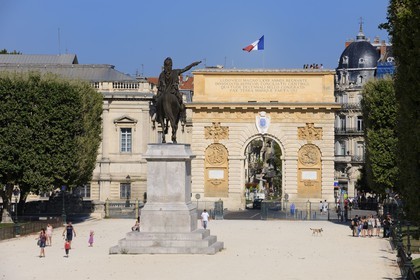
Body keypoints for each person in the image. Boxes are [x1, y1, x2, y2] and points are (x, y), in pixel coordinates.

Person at [156, 57, 201, 125]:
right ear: (171, 65)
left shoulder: (162, 74)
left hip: (164, 92)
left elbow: (159, 87)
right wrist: (192, 64)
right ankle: (182, 116)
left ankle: (158, 117)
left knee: (157, 104)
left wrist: (158, 95)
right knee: (180, 102)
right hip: (173, 91)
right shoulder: (175, 72)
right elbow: (185, 69)